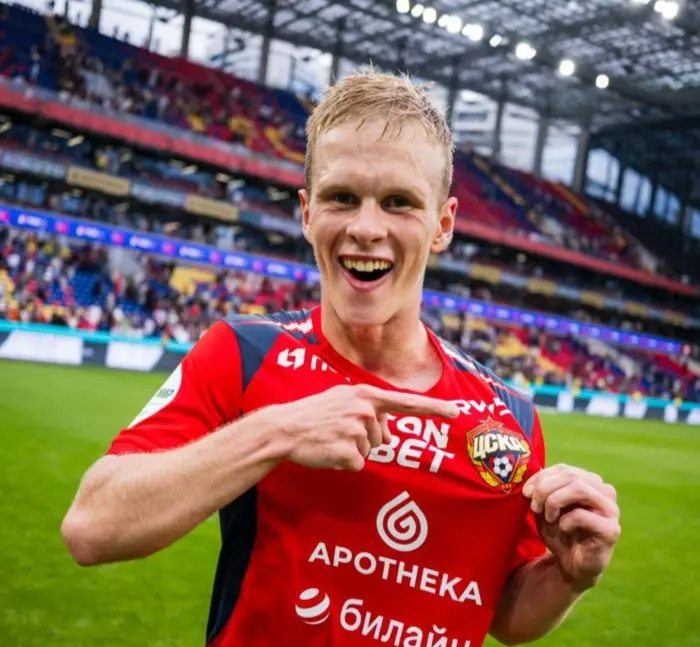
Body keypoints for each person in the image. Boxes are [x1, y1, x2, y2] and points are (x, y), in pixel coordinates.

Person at [61, 70, 621, 647]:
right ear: (307, 213)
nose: (366, 228)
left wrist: (567, 578)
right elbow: (92, 527)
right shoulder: (245, 353)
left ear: (443, 225)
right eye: (342, 198)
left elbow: (501, 612)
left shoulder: (509, 420)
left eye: (399, 202)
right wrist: (275, 432)